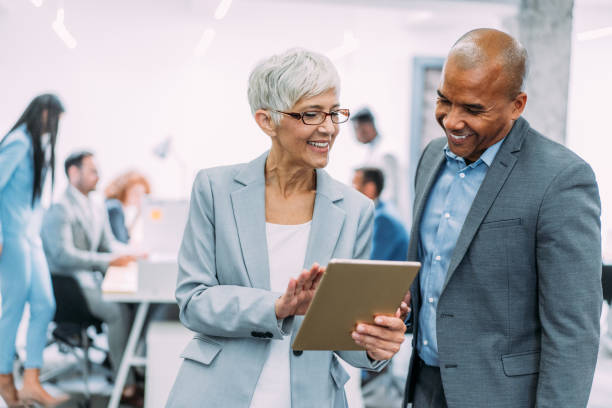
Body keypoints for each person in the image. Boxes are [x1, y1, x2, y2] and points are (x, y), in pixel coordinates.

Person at [166, 48, 408, 407]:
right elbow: (194, 301)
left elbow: (342, 335)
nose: (328, 128)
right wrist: (277, 307)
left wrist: (374, 343)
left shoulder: (356, 210)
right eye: (311, 114)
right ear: (266, 121)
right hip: (218, 393)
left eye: (334, 112)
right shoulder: (215, 190)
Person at [402, 28, 601, 408]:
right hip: (424, 386)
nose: (451, 121)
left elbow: (573, 333)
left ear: (517, 104)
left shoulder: (560, 178)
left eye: (473, 109)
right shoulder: (431, 158)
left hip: (501, 397)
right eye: (445, 100)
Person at [40, 151, 144, 405]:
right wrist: (107, 261)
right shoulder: (59, 209)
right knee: (117, 311)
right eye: (92, 171)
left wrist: (134, 253)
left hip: (92, 283)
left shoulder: (96, 206)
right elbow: (63, 256)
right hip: (69, 289)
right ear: (73, 173)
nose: (98, 176)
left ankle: (132, 368)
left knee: (132, 303)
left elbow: (109, 245)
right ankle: (126, 384)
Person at [0, 94, 70, 407]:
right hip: (12, 237)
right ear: (43, 113)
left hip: (30, 239)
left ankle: (31, 380)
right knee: (14, 306)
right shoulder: (18, 142)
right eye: (54, 119)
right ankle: (3, 378)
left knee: (44, 304)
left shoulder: (35, 147)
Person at [350, 107, 406, 220]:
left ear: (367, 126)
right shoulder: (373, 150)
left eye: (357, 129)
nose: (356, 134)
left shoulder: (386, 153)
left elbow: (390, 193)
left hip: (389, 218)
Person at [353, 167, 409, 262]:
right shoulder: (383, 209)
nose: (352, 190)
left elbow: (372, 263)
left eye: (355, 185)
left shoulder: (383, 219)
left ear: (370, 188)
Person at [104, 171, 151, 244]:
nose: (140, 198)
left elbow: (125, 237)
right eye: (136, 193)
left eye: (142, 194)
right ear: (124, 190)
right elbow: (122, 241)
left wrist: (138, 214)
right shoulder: (115, 208)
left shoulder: (114, 205)